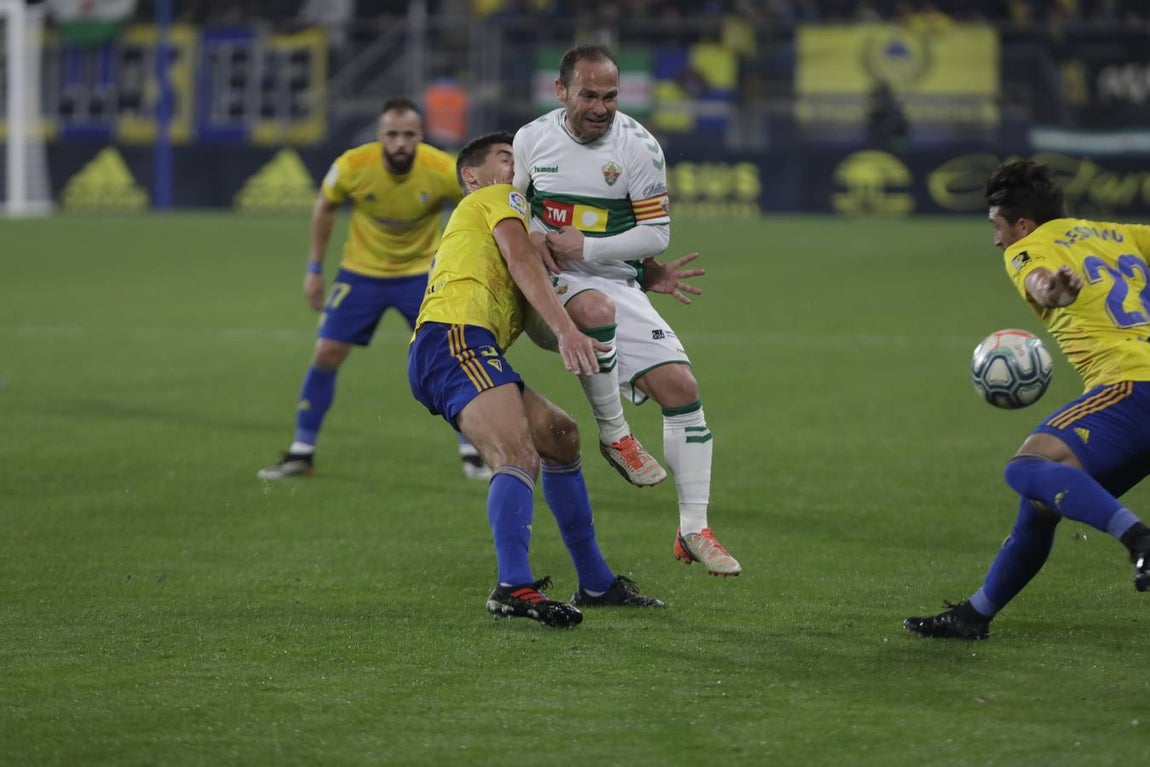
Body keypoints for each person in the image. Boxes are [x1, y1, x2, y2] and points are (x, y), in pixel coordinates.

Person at [407, 131, 664, 627]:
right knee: (517, 454)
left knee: (559, 436)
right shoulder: (496, 198)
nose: (515, 166)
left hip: (460, 346)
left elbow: (541, 272)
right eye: (506, 158)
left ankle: (596, 583)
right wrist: (569, 331)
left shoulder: (499, 221)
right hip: (454, 339)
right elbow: (524, 263)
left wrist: (643, 276)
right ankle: (513, 588)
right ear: (471, 176)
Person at [513, 43, 742, 577]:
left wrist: (587, 248)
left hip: (611, 277)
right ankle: (616, 435)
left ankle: (694, 529)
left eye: (610, 95)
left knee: (683, 389)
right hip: (551, 284)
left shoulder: (640, 147)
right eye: (588, 94)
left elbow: (656, 232)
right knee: (592, 308)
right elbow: (510, 208)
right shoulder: (531, 139)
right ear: (561, 91)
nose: (600, 106)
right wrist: (534, 233)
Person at [905, 159, 1150, 640]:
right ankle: (974, 616)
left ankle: (1140, 538)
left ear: (1021, 223)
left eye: (997, 227)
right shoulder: (1122, 233)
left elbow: (1041, 282)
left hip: (1131, 384)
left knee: (1026, 468)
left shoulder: (1028, 249)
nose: (996, 239)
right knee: (1042, 501)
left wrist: (1054, 291)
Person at [258, 98, 491, 481]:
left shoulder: (439, 168)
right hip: (360, 273)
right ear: (380, 136)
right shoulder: (352, 165)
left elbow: (474, 207)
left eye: (409, 135)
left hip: (420, 274)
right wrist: (314, 269)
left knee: (450, 355)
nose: (401, 143)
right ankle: (301, 453)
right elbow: (325, 206)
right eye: (393, 135)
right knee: (327, 351)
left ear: (420, 136)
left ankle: (473, 454)